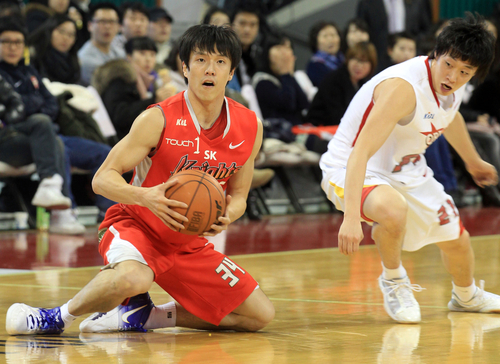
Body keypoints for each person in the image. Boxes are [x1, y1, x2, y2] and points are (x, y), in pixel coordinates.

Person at [6, 24, 275, 335]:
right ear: (185, 68)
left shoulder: (249, 126)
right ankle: (56, 316)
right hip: (136, 227)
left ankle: (144, 316)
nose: (209, 70)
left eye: (220, 62)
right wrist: (147, 197)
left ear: (231, 72)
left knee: (259, 315)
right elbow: (101, 179)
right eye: (200, 60)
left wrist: (227, 214)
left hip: (188, 242)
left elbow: (240, 194)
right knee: (135, 278)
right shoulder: (158, 118)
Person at [319, 14, 500, 324]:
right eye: (449, 65)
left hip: (406, 170)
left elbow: (450, 115)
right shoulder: (404, 88)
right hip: (350, 168)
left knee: (458, 241)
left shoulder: (452, 87)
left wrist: (472, 161)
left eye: (464, 72)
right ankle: (394, 281)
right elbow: (360, 152)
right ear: (436, 53)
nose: (453, 77)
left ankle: (466, 296)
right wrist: (351, 218)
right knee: (392, 209)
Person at [77, 2, 124, 85]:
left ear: (118, 26)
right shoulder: (85, 58)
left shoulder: (119, 52)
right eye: (102, 21)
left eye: (112, 22)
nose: (107, 26)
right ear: (90, 26)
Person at [306, 21, 344, 87]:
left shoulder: (345, 60)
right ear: (315, 41)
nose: (330, 39)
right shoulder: (314, 66)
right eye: (325, 36)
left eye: (333, 35)